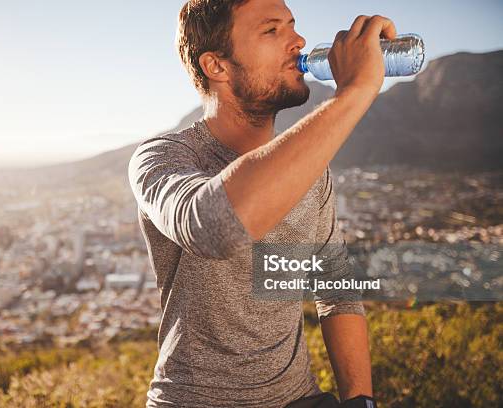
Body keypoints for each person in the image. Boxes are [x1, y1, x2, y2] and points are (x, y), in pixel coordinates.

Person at [127, 0, 395, 406]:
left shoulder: (311, 169)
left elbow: (337, 290)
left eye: (293, 26)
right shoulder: (162, 157)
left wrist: (361, 401)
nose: (299, 41)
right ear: (216, 66)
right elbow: (211, 225)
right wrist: (355, 92)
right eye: (272, 31)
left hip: (299, 397)